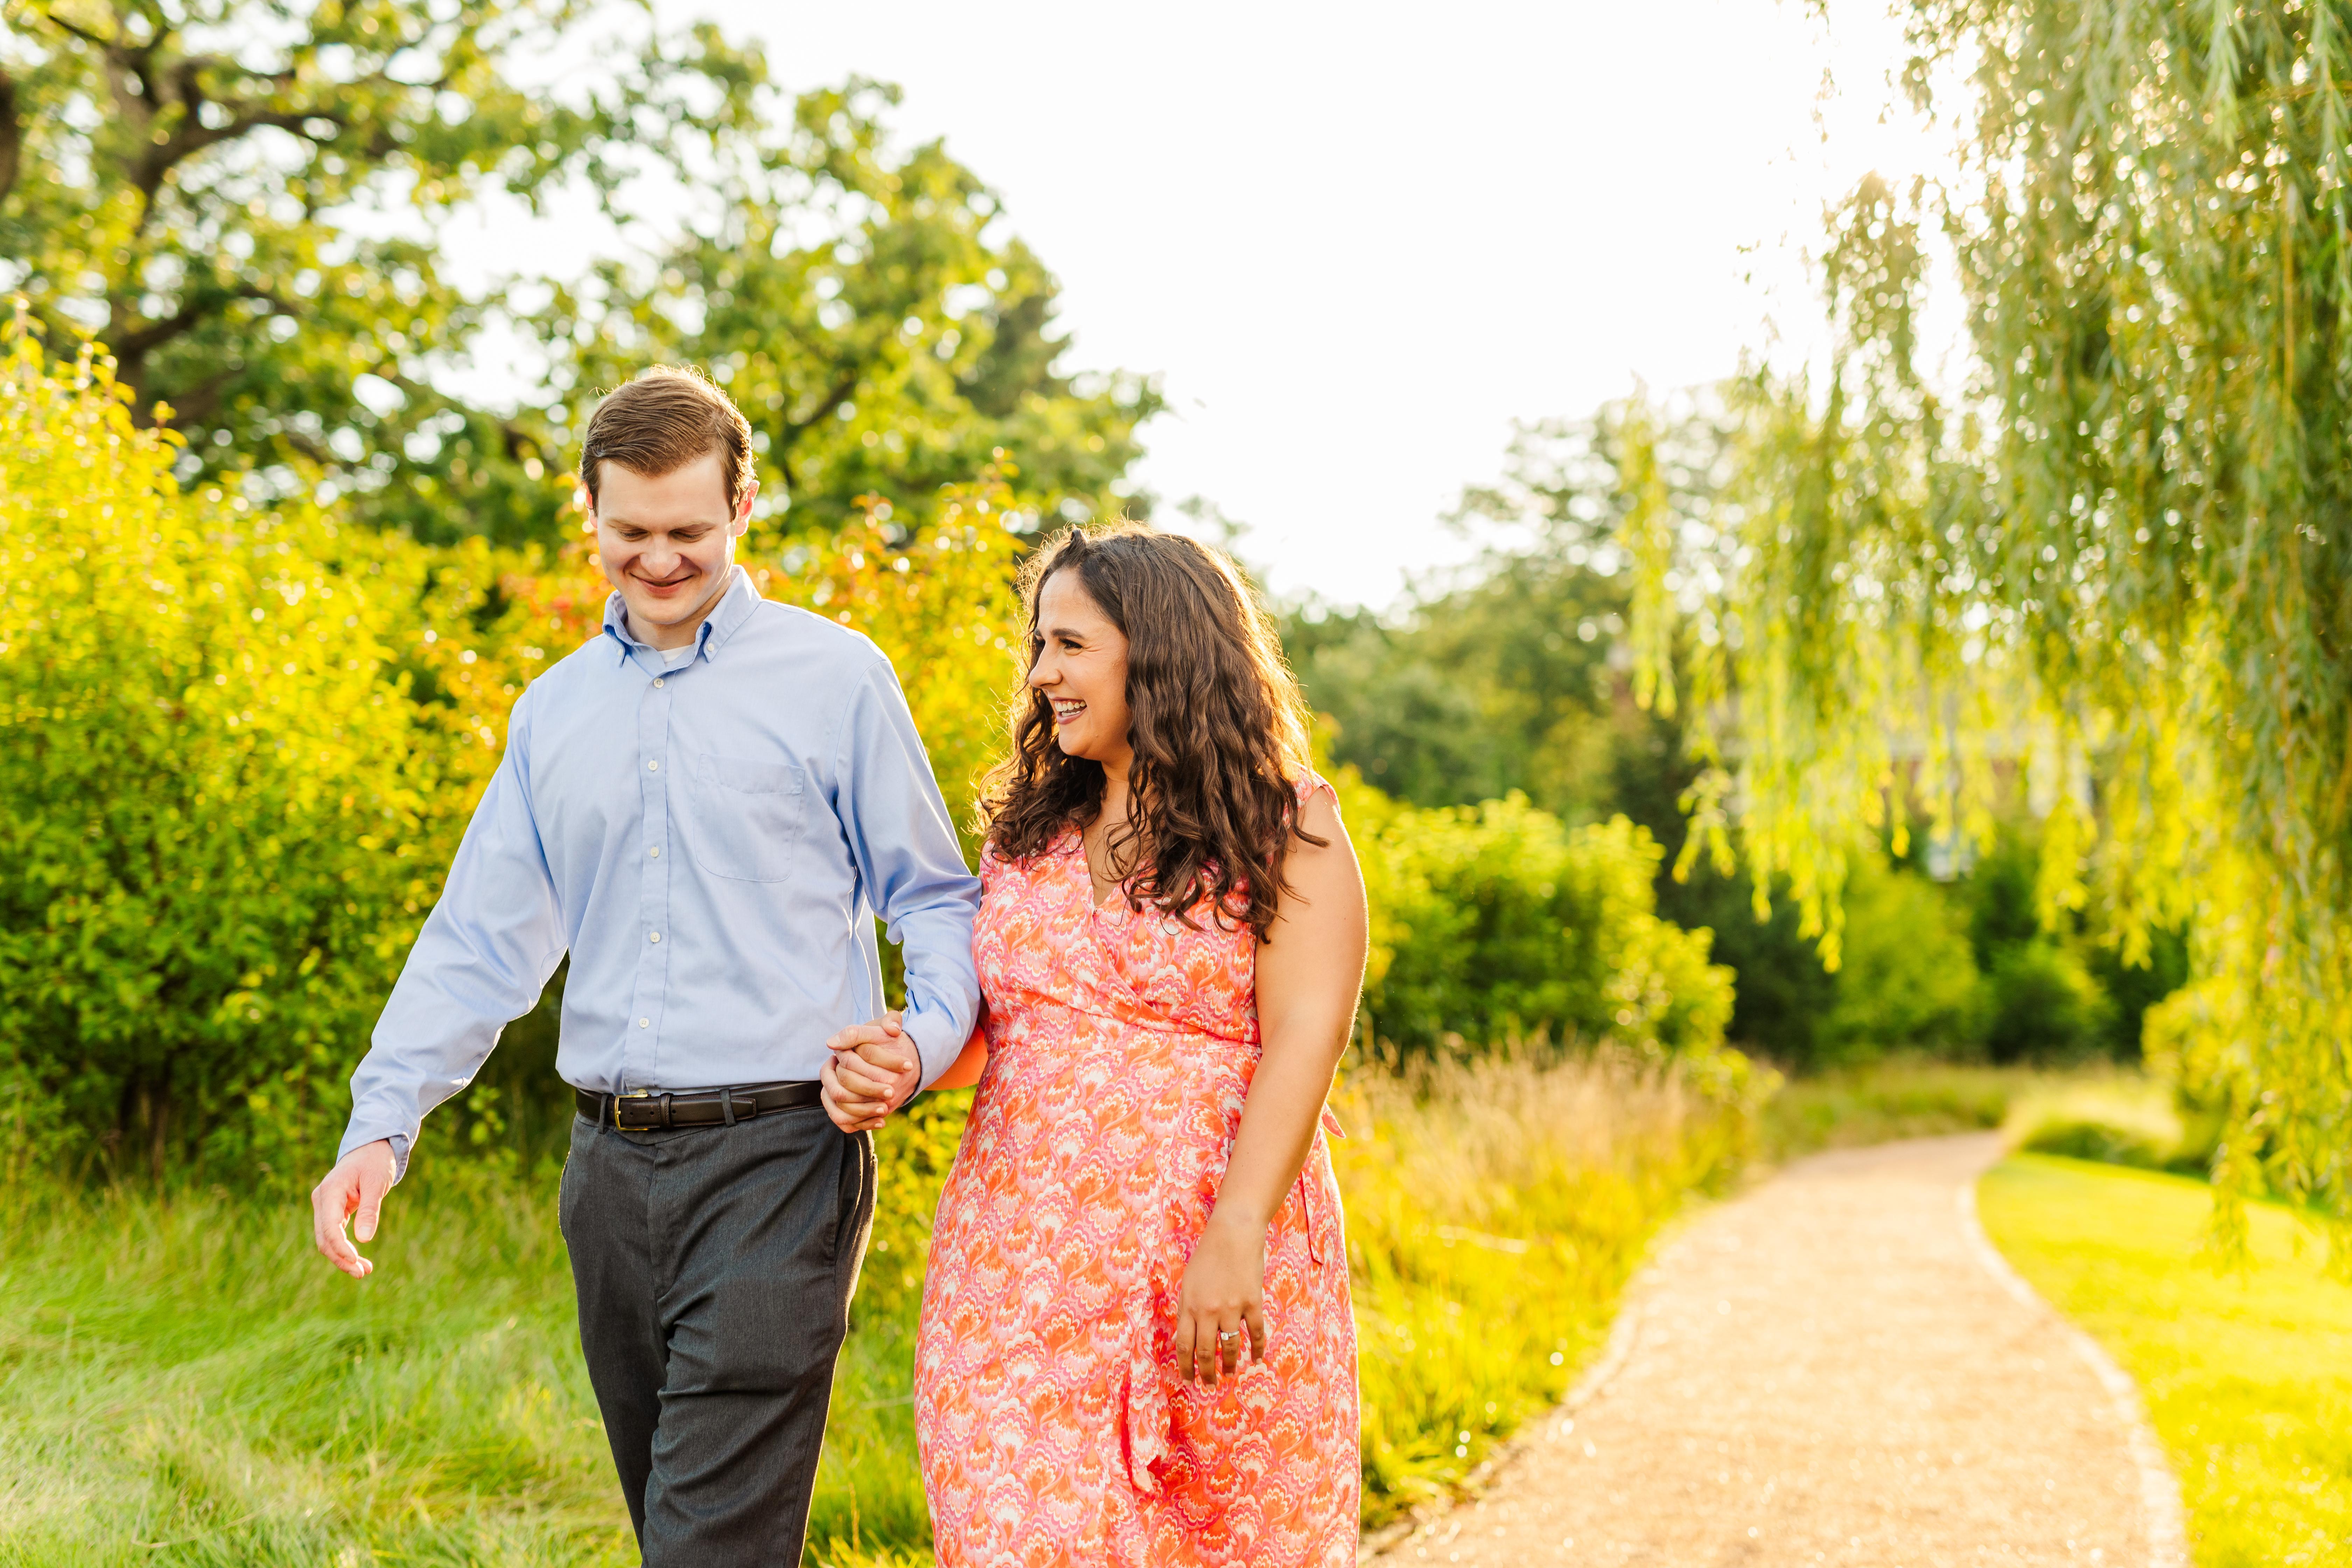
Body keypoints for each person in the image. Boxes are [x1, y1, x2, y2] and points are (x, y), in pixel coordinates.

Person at [307, 366, 978, 1567]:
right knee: (676, 1520)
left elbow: (933, 897)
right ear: (590, 512)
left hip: (783, 1155)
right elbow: (479, 943)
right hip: (607, 1178)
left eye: (689, 532)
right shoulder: (551, 714)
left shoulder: (836, 679)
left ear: (744, 509)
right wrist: (382, 1122)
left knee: (702, 1543)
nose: (660, 560)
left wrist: (921, 1045)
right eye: (632, 533)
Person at [831, 524, 1367, 1566]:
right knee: (1010, 1531)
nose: (1042, 676)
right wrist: (908, 1060)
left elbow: (1310, 1032)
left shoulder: (1285, 823)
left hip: (1212, 1254)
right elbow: (1003, 1026)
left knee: (1223, 1539)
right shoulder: (1025, 833)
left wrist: (1238, 1231)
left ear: (1159, 647)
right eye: (1040, 647)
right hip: (1018, 1266)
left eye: (1070, 646)